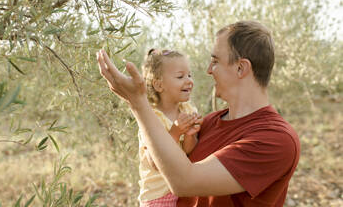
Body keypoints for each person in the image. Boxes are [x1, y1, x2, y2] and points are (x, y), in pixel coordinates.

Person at [97, 20, 300, 207]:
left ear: (241, 68)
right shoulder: (209, 121)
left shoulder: (276, 139)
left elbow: (184, 182)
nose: (208, 70)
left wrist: (137, 103)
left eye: (215, 61)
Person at [139, 48, 202, 206]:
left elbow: (187, 151)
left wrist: (190, 134)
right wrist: (175, 132)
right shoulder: (152, 118)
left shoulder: (188, 110)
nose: (189, 80)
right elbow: (154, 162)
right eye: (180, 76)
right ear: (159, 85)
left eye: (189, 75)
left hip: (183, 189)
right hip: (158, 196)